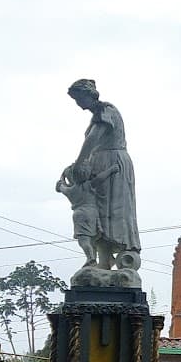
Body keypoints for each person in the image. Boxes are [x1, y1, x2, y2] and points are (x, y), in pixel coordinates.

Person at [59, 80, 141, 274]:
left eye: (79, 98)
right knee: (100, 215)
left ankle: (124, 253)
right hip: (99, 164)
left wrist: (79, 162)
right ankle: (103, 260)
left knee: (115, 212)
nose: (78, 103)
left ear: (89, 95)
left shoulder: (106, 110)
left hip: (113, 163)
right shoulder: (97, 115)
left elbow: (93, 139)